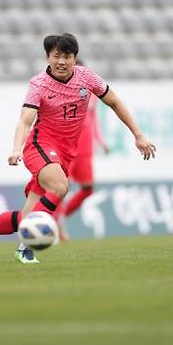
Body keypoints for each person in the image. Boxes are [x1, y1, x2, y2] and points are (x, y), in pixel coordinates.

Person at [0, 33, 156, 263]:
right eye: (57, 56)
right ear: (48, 57)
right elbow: (25, 120)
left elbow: (114, 101)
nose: (61, 61)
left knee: (27, 218)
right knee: (60, 186)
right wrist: (16, 148)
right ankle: (25, 248)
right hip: (39, 146)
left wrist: (138, 135)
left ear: (75, 59)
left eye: (67, 56)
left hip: (64, 154)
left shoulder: (88, 78)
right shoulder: (39, 84)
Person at [55, 60, 110, 241]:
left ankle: (58, 219)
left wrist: (100, 141)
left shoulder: (92, 93)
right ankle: (58, 227)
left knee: (87, 189)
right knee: (63, 187)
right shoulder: (60, 91)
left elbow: (93, 120)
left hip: (86, 147)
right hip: (67, 144)